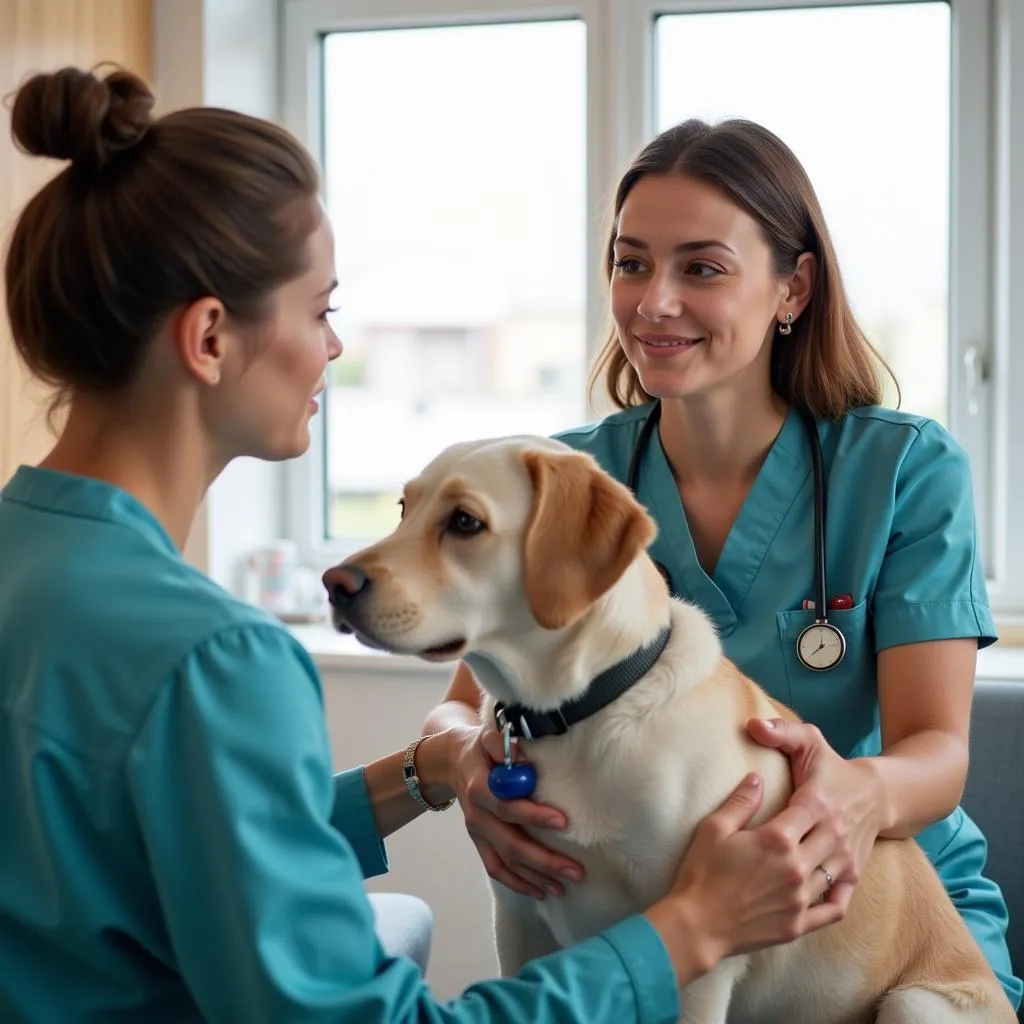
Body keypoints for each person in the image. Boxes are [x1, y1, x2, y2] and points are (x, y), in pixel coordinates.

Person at [0, 66, 850, 1024]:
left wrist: (427, 771)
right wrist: (690, 931)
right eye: (321, 310)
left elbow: (142, 841)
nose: (333, 348)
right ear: (208, 338)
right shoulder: (216, 660)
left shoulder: (30, 566)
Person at [425, 116, 1023, 1011]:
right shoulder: (571, 484)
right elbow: (463, 708)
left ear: (794, 288)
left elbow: (935, 754)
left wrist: (852, 798)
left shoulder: (902, 470)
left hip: (867, 913)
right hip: (660, 924)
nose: (653, 301)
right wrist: (461, 764)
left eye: (701, 268)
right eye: (631, 263)